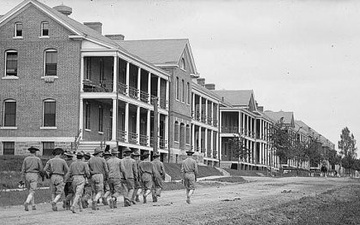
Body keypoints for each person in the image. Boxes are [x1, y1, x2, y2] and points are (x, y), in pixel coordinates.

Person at [21, 146, 44, 211]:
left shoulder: (26, 159)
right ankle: (27, 202)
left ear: (30, 152)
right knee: (32, 190)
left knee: (30, 191)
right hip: (34, 174)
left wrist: (22, 178)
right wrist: (42, 176)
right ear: (35, 152)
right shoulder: (38, 159)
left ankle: (33, 205)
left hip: (27, 175)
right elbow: (41, 169)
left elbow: (23, 169)